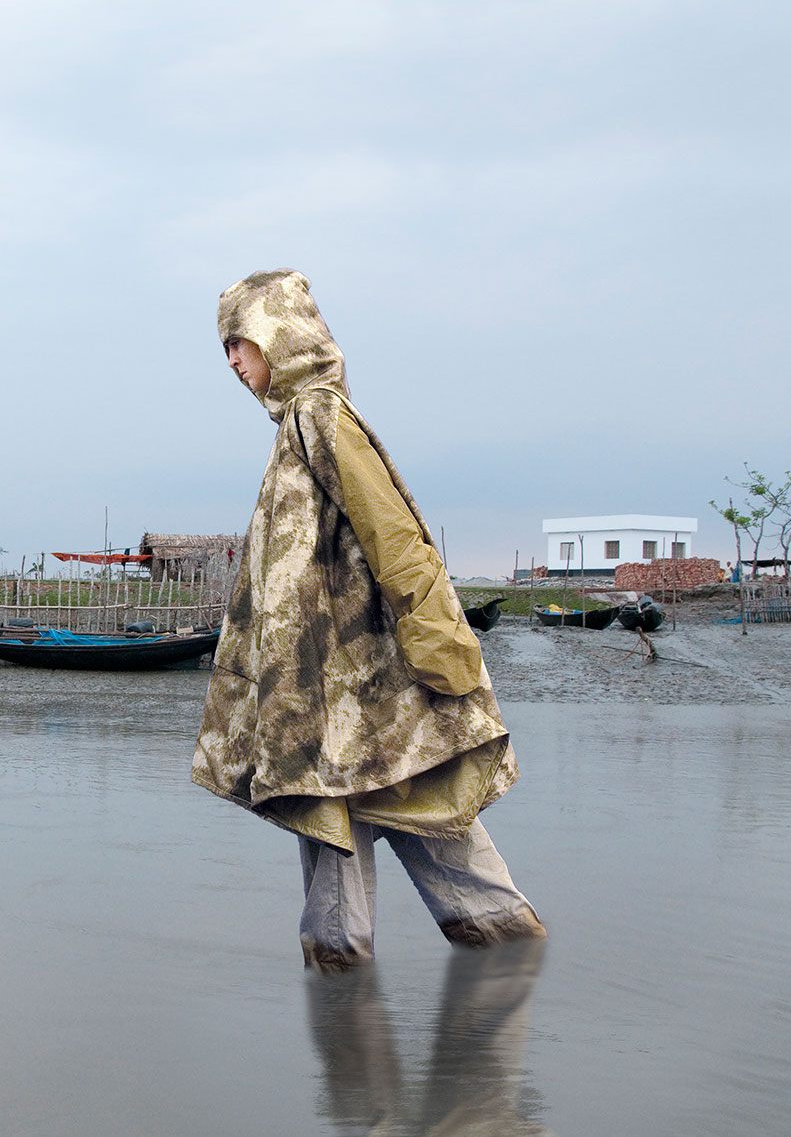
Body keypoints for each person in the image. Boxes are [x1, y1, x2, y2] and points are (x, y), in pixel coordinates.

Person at [192, 270, 544, 971]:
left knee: (374, 807)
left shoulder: (318, 416)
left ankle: (354, 988)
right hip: (333, 689)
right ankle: (484, 967)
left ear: (282, 337)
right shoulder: (298, 423)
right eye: (226, 347)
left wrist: (441, 640)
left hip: (358, 682)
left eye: (243, 341)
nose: (234, 361)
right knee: (387, 807)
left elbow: (394, 530)